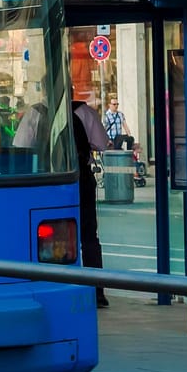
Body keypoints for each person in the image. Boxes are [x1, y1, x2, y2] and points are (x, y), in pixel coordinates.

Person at [70, 98, 109, 307]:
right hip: (81, 179)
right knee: (88, 236)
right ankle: (97, 292)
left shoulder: (37, 113)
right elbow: (102, 143)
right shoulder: (84, 112)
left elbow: (22, 145)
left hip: (46, 178)